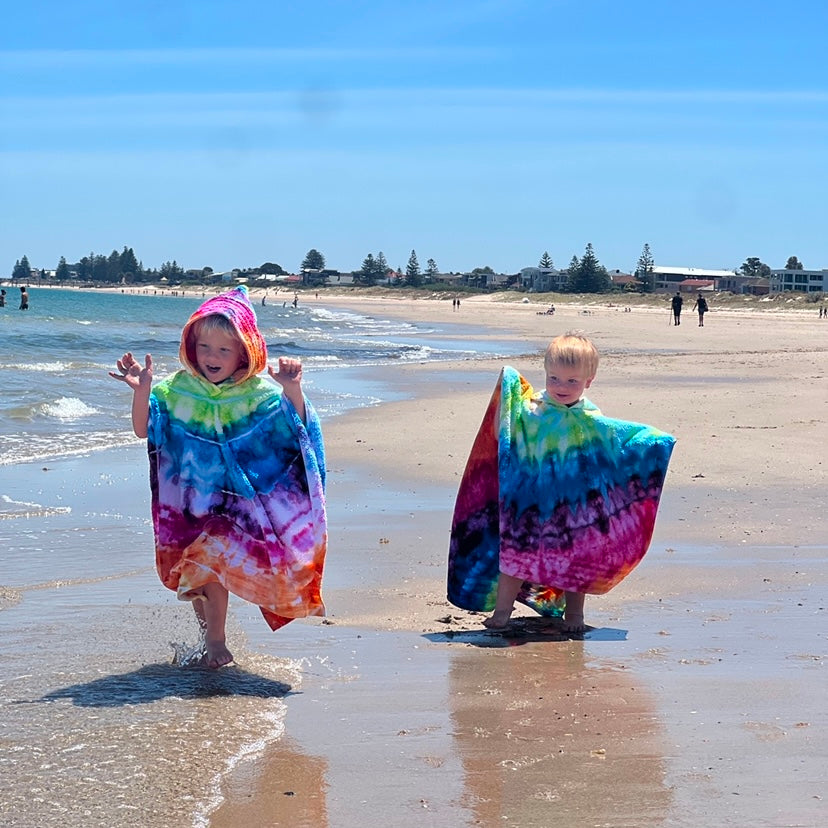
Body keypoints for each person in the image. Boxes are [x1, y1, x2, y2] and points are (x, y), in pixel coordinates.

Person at [110, 286, 327, 668]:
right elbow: (144, 430)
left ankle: (215, 640)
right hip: (193, 504)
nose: (211, 357)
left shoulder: (258, 394)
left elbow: (299, 433)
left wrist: (292, 389)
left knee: (211, 561)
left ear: (245, 352)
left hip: (241, 506)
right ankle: (208, 637)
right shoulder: (177, 390)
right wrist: (142, 390)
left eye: (224, 350)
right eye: (204, 347)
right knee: (197, 572)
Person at [447, 332, 675, 634]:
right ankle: (502, 611)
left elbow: (614, 447)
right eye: (554, 378)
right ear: (545, 374)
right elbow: (507, 429)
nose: (561, 387)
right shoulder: (531, 411)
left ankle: (574, 615)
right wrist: (509, 389)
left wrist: (653, 444)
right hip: (527, 503)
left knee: (575, 559)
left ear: (588, 381)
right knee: (515, 557)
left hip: (572, 508)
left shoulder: (591, 419)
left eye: (572, 381)